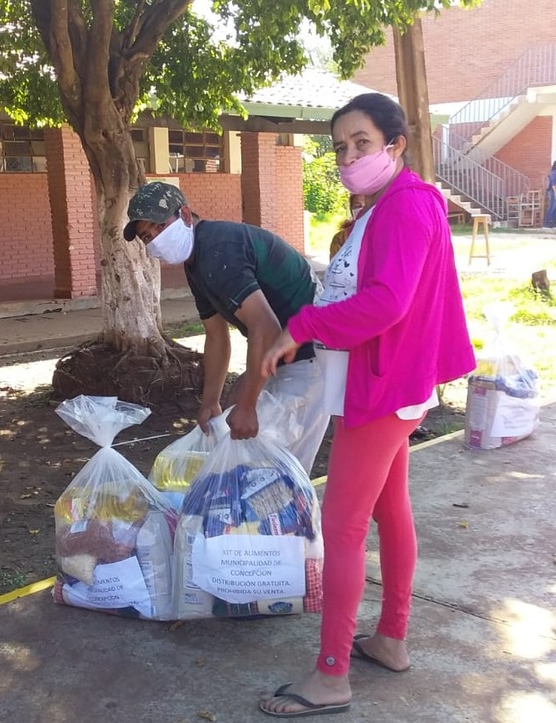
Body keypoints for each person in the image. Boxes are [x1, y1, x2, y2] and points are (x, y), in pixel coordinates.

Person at [259, 92, 476, 718]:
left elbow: (387, 303)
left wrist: (300, 323)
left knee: (343, 525)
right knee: (389, 508)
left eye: (362, 142)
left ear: (395, 144)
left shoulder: (405, 207)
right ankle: (391, 639)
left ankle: (331, 677)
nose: (349, 156)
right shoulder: (386, 206)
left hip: (382, 389)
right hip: (385, 383)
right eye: (340, 146)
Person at [123, 182, 329, 475]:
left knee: (277, 472)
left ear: (184, 215)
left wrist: (248, 406)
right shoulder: (196, 261)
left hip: (309, 353)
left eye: (158, 226)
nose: (155, 239)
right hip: (282, 352)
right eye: (147, 236)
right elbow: (216, 335)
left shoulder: (218, 249)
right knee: (239, 412)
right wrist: (210, 403)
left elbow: (266, 327)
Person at [328, 194, 364, 260]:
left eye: (367, 206)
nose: (363, 210)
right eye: (358, 206)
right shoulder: (340, 238)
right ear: (351, 209)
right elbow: (337, 267)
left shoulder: (383, 235)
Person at [543, 161, 556, 228]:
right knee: (551, 207)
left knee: (555, 207)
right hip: (552, 191)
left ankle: (554, 223)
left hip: (553, 191)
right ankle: (546, 223)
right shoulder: (554, 173)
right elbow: (554, 184)